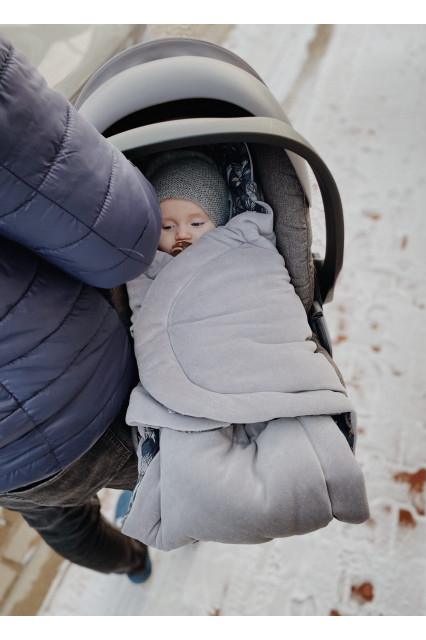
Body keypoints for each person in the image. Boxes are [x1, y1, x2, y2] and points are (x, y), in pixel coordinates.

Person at [120, 149, 370, 551]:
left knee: (297, 447)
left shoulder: (246, 243)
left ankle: (314, 475)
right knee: (195, 464)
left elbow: (265, 296)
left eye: (196, 222)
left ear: (218, 221)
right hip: (187, 381)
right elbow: (141, 318)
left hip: (259, 356)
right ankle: (197, 503)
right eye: (166, 226)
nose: (181, 234)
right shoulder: (145, 266)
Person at [0, 33, 161, 581]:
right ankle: (155, 513)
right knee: (168, 466)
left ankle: (131, 561)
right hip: (81, 388)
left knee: (63, 521)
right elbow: (122, 238)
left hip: (9, 470)